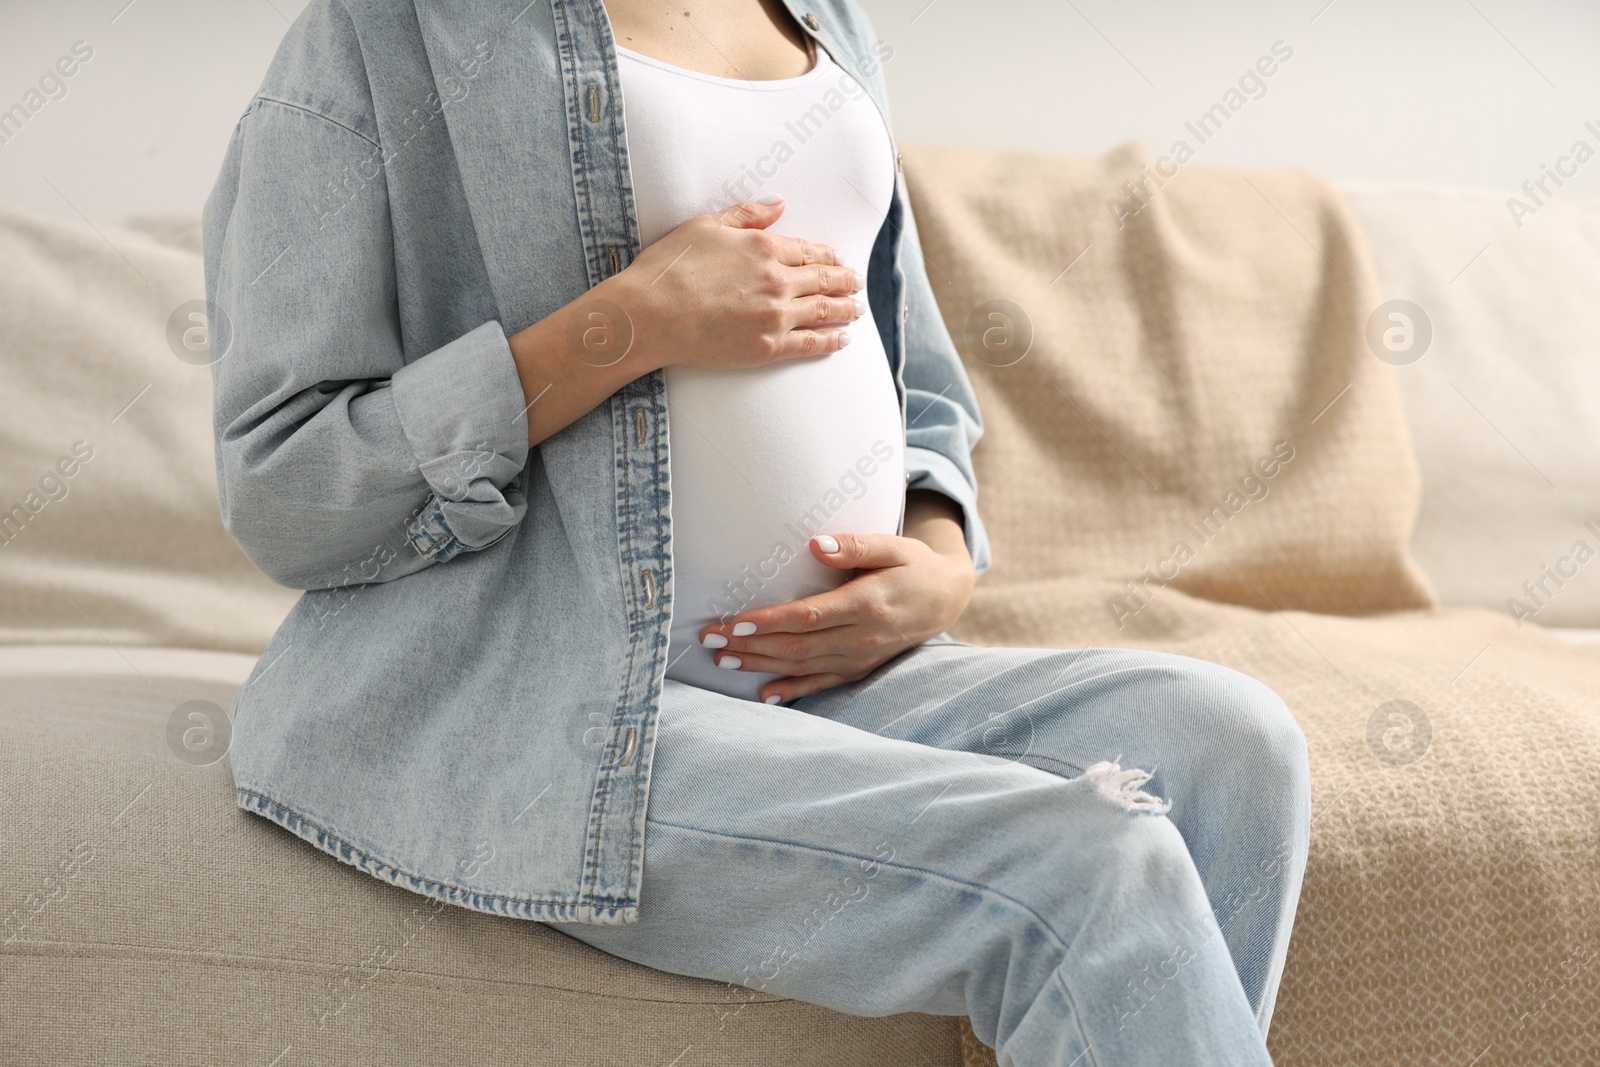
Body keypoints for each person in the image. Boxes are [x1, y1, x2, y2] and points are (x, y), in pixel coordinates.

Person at [203, 1, 1311, 1063]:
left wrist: (935, 556)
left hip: (812, 683)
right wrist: (624, 325)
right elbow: (286, 486)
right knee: (1084, 862)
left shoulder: (825, 20)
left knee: (1232, 741)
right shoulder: (381, 34)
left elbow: (915, 382)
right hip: (553, 697)